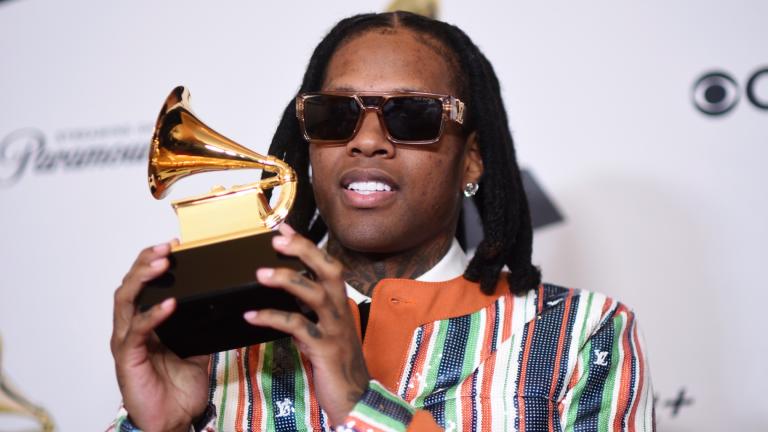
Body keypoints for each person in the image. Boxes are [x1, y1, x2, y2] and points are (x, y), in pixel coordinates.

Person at [109, 11, 654, 432]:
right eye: (335, 115)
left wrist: (360, 403)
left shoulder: (584, 332)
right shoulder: (224, 341)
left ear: (472, 158)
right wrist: (159, 425)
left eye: (412, 116)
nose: (366, 140)